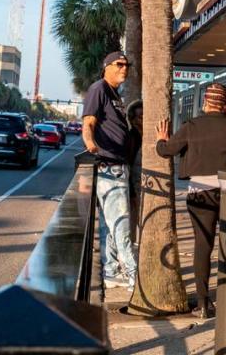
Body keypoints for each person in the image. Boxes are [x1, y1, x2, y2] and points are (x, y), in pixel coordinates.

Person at [155, 83, 226, 319]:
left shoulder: (192, 126)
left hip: (200, 192)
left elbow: (166, 151)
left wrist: (161, 140)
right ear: (224, 104)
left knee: (203, 245)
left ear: (206, 103)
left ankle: (202, 303)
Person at [82, 51, 137, 291]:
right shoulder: (99, 89)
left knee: (110, 225)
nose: (125, 68)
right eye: (120, 64)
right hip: (109, 167)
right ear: (106, 67)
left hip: (117, 166)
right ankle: (134, 276)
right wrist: (91, 145)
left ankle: (111, 271)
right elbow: (88, 123)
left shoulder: (115, 93)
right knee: (121, 224)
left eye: (127, 65)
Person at [126, 99, 143, 243]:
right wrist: (131, 189)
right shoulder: (132, 137)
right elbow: (128, 164)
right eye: (140, 116)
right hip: (135, 187)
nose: (143, 120)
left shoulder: (149, 136)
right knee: (133, 221)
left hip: (148, 187)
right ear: (133, 119)